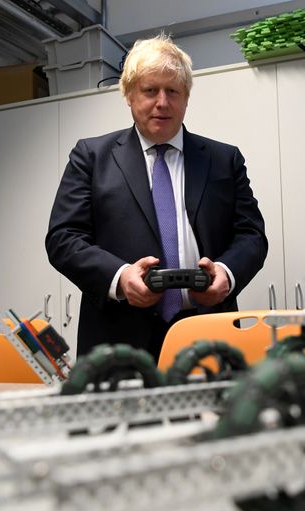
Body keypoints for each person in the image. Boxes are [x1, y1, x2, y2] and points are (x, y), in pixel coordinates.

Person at [46, 33, 267, 358]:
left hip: (208, 334)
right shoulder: (92, 158)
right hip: (118, 340)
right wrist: (120, 278)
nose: (162, 102)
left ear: (186, 97)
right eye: (150, 90)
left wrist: (226, 273)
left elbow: (251, 236)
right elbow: (63, 238)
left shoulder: (224, 159)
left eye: (173, 91)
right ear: (129, 95)